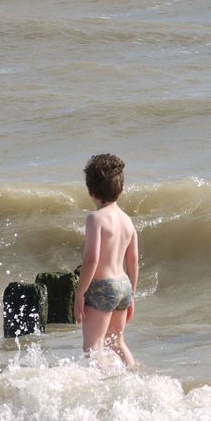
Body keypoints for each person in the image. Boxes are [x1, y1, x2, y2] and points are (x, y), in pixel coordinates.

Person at [74, 153, 139, 367]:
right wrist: (132, 295)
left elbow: (91, 259)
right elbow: (133, 261)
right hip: (124, 286)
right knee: (117, 342)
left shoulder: (95, 219)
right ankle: (135, 375)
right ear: (121, 190)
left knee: (93, 347)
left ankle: (102, 388)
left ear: (90, 192)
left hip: (102, 286)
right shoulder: (127, 221)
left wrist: (80, 293)